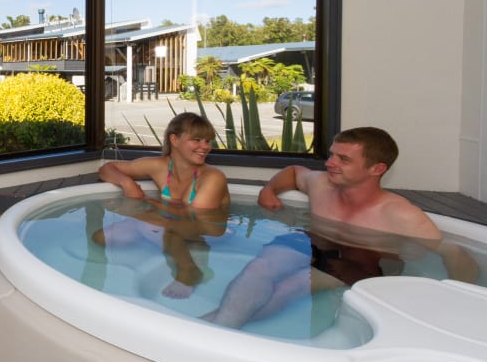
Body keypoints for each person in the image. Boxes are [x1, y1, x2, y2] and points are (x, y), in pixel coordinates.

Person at [204, 126, 478, 329]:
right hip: (313, 242)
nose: (330, 163)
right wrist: (269, 190)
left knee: (294, 286)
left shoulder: (401, 215)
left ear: (376, 169)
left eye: (343, 159)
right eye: (332, 155)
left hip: (359, 260)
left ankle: (213, 327)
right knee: (259, 268)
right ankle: (220, 327)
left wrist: (454, 301)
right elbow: (294, 172)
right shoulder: (321, 184)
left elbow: (454, 253)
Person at [95, 112, 230, 298]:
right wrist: (127, 183)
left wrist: (150, 204)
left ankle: (189, 270)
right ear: (174, 140)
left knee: (162, 227)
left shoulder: (213, 178)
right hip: (170, 222)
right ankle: (155, 248)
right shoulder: (160, 166)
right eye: (197, 140)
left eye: (207, 141)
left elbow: (193, 218)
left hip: (207, 231)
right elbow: (106, 169)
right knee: (102, 237)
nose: (205, 147)